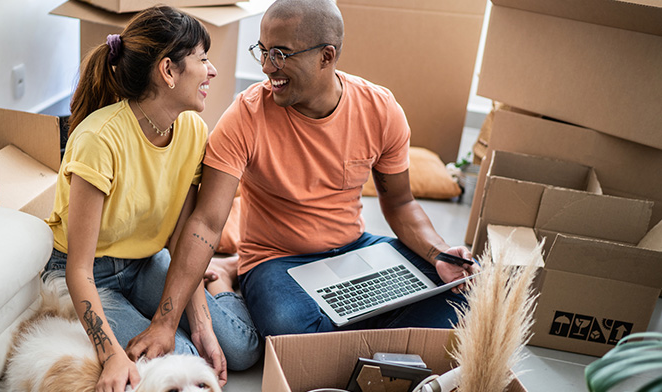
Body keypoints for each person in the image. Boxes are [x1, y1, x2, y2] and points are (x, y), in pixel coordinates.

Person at [125, 0, 478, 357]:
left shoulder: (381, 109)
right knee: (289, 327)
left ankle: (346, 342)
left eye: (280, 54)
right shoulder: (245, 116)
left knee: (458, 294)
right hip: (274, 261)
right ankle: (368, 338)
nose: (266, 68)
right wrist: (164, 323)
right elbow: (206, 222)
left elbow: (401, 204)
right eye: (262, 52)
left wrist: (439, 253)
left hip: (353, 250)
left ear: (326, 56)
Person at [42, 6, 261, 392]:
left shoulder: (193, 129)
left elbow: (183, 237)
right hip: (89, 276)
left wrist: (196, 320)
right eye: (202, 58)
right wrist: (109, 356)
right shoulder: (98, 139)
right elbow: (78, 269)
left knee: (240, 347)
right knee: (187, 365)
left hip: (145, 261)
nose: (212, 71)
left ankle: (224, 279)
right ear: (168, 71)